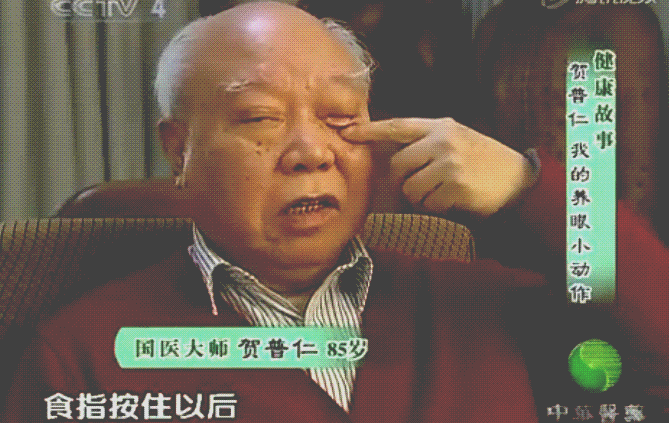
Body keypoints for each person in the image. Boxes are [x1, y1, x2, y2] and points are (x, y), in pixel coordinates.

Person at [4, 2, 669, 422]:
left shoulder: (481, 306)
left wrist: (530, 187)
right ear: (179, 149)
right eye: (260, 117)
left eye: (339, 117)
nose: (310, 152)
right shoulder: (85, 354)